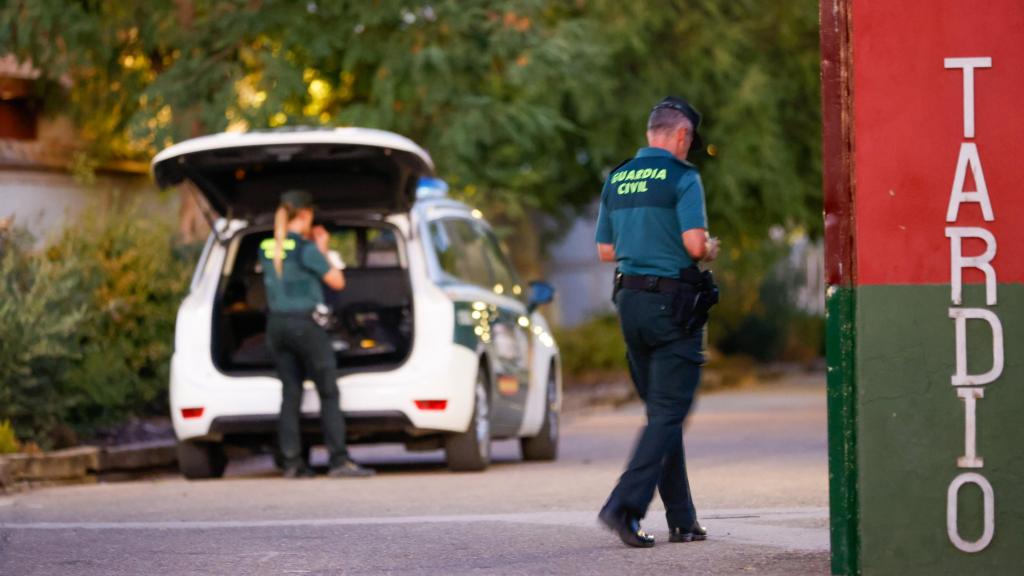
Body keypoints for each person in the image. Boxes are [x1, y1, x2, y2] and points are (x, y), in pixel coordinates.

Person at [595, 96, 720, 547]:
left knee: (660, 416)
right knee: (669, 413)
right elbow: (692, 244)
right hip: (672, 308)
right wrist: (708, 247)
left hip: (629, 303)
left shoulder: (618, 177)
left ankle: (683, 519)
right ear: (682, 135)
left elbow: (605, 251)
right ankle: (623, 507)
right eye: (689, 141)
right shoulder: (683, 178)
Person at [260, 189, 374, 479]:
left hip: (276, 326)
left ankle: (292, 463)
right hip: (305, 326)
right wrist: (323, 247)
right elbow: (337, 281)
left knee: (291, 393)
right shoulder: (306, 248)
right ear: (306, 214)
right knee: (328, 391)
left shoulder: (266, 246)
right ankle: (338, 460)